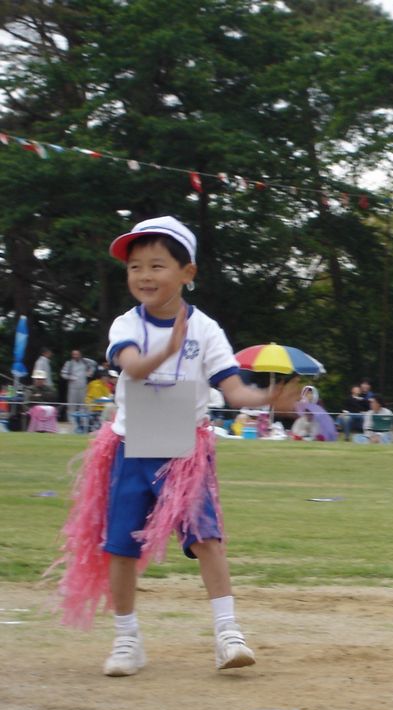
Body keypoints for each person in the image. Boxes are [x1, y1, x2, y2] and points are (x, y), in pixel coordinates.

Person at [49, 215, 298, 677]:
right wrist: (167, 349)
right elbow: (135, 367)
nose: (144, 276)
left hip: (185, 452)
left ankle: (228, 632)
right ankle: (128, 639)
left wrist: (269, 398)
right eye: (135, 267)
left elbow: (234, 390)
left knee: (207, 538)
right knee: (119, 546)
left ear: (188, 273)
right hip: (130, 443)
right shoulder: (126, 323)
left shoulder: (206, 330)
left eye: (157, 265)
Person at [60, 349, 96, 430]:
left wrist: (90, 372)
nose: (75, 356)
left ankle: (84, 425)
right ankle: (73, 425)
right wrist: (70, 377)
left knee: (83, 406)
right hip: (73, 388)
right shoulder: (69, 363)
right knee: (72, 406)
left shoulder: (85, 362)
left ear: (80, 355)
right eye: (74, 354)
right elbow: (63, 373)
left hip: (83, 387)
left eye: (77, 354)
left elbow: (94, 364)